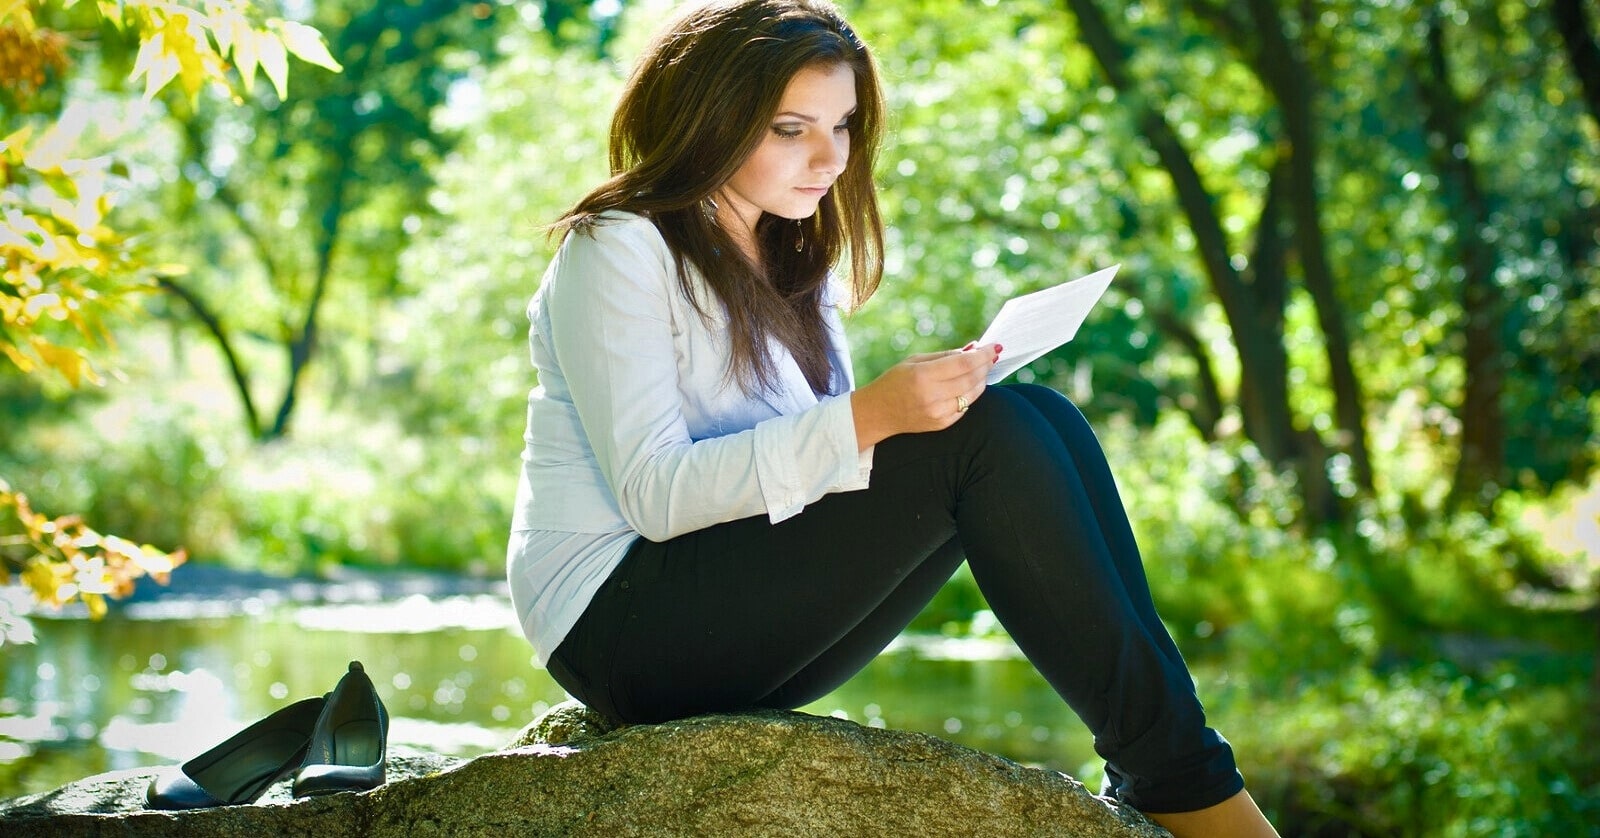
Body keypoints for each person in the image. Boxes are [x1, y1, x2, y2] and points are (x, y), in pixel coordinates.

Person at [505, 1, 1279, 835]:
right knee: (990, 439)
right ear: (709, 119)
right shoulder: (618, 247)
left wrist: (918, 408)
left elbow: (816, 477)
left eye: (841, 126)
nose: (830, 157)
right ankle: (1186, 789)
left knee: (1038, 415)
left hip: (723, 604)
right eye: (791, 129)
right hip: (619, 623)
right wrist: (874, 415)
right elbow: (653, 495)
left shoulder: (794, 262)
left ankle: (1165, 768)